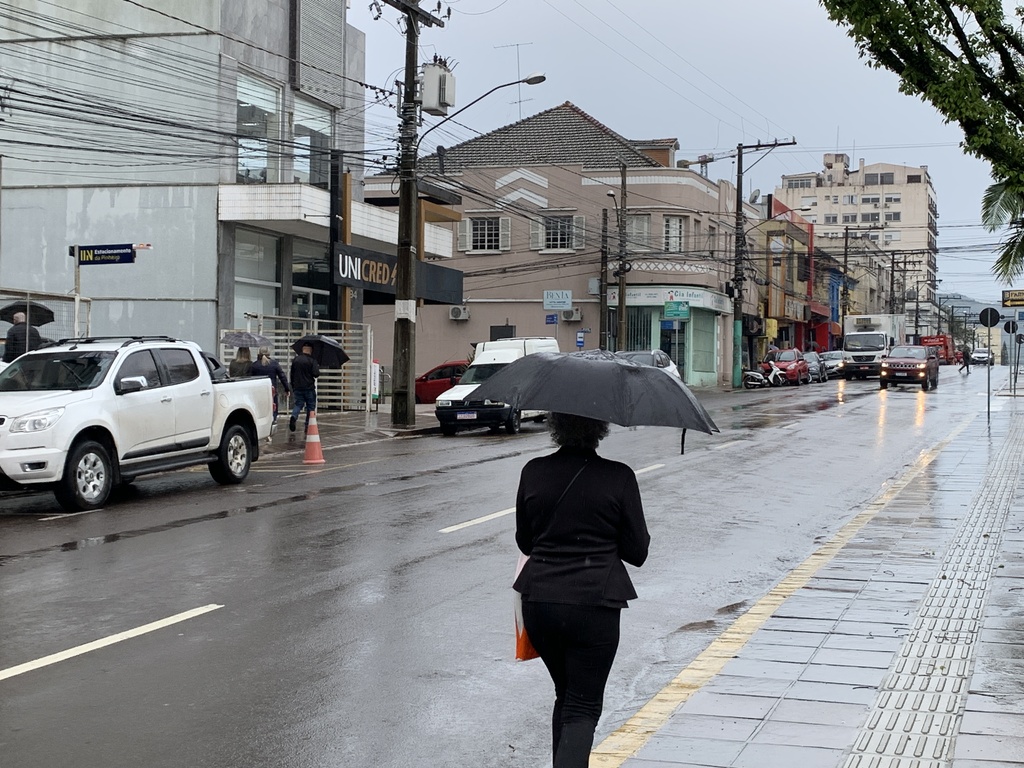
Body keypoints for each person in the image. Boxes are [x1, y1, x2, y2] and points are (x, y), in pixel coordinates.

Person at [514, 412, 650, 768]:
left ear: (555, 426)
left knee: (568, 695)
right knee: (583, 705)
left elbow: (525, 542)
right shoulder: (619, 477)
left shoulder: (533, 471)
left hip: (540, 601)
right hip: (595, 603)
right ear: (600, 428)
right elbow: (638, 552)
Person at [251, 346, 290, 425]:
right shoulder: (274, 364)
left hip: (259, 390)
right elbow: (282, 377)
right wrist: (287, 388)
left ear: (259, 354)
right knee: (273, 406)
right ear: (269, 353)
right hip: (271, 390)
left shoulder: (254, 365)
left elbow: (250, 379)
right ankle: (273, 419)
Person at [289, 342, 320, 433]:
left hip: (298, 387)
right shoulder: (312, 360)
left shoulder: (296, 360)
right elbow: (316, 374)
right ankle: (308, 426)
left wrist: (293, 386)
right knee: (310, 407)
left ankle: (294, 416)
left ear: (302, 349)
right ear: (310, 350)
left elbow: (292, 374)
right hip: (309, 388)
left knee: (298, 404)